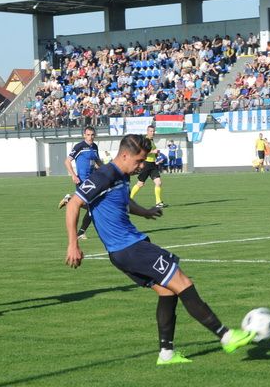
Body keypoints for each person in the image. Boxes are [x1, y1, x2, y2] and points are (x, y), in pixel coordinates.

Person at [65, 134, 256, 364]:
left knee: (167, 291)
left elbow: (122, 202)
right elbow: (75, 203)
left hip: (128, 248)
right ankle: (226, 336)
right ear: (124, 155)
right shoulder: (105, 174)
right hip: (129, 248)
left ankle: (166, 354)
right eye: (138, 161)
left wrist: (144, 211)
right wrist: (73, 244)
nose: (141, 166)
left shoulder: (122, 175)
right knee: (183, 282)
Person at [58, 126, 102, 239]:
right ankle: (81, 232)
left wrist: (105, 171)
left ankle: (70, 200)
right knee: (94, 207)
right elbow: (67, 161)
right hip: (81, 180)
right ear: (84, 135)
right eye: (88, 134)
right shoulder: (79, 147)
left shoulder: (95, 147)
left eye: (92, 135)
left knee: (93, 208)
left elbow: (97, 161)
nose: (90, 137)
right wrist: (73, 175)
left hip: (92, 180)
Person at [130, 125, 166, 207]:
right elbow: (142, 151)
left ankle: (158, 202)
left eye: (153, 131)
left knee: (158, 182)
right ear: (147, 131)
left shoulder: (152, 140)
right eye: (151, 131)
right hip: (146, 164)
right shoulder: (145, 140)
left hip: (153, 164)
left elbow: (152, 152)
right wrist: (153, 151)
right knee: (140, 184)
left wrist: (156, 155)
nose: (152, 133)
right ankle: (129, 200)